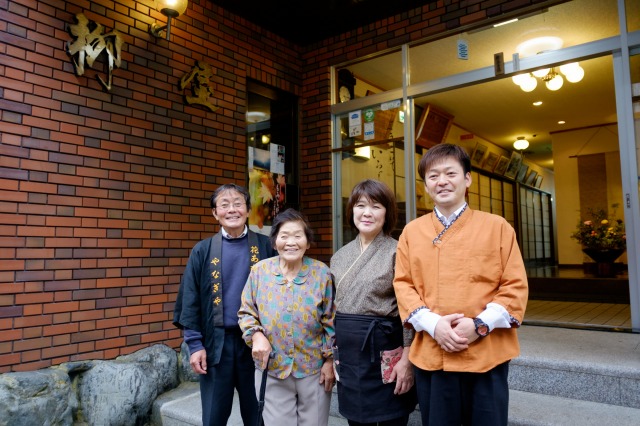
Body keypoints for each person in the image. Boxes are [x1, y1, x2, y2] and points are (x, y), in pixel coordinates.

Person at [393, 143, 528, 426]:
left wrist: (480, 325)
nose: (441, 181)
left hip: (487, 353)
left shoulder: (497, 226)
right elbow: (403, 285)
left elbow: (514, 286)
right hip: (433, 351)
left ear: (467, 179)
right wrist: (433, 325)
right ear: (426, 186)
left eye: (450, 173)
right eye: (433, 176)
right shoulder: (412, 232)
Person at [173, 183, 277, 426]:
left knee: (258, 413)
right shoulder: (203, 250)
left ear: (248, 210)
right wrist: (195, 344)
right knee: (214, 415)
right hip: (215, 344)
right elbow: (191, 298)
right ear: (215, 212)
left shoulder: (266, 247)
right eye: (225, 205)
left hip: (256, 342)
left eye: (238, 204)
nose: (232, 210)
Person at [330, 179, 417, 426]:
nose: (367, 213)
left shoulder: (397, 251)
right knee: (356, 420)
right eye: (360, 205)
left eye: (376, 206)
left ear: (387, 213)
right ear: (352, 211)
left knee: (392, 418)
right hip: (349, 354)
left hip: (387, 351)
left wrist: (407, 359)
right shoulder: (339, 256)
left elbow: (408, 309)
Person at [238, 208, 336, 426]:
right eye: (284, 236)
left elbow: (331, 321)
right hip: (273, 368)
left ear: (308, 243)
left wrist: (330, 361)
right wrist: (256, 336)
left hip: (314, 370)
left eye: (298, 236)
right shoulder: (259, 271)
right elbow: (246, 311)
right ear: (274, 242)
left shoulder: (322, 273)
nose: (291, 242)